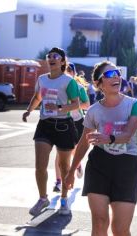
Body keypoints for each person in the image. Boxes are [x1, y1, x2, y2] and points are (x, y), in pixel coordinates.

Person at [65, 61, 137, 236]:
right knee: (99, 222)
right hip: (99, 165)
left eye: (117, 73)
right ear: (98, 84)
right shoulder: (93, 111)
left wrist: (109, 138)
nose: (115, 76)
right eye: (109, 74)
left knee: (120, 229)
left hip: (126, 167)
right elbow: (84, 143)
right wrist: (70, 172)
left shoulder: (133, 105)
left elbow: (128, 134)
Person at [22, 47, 80, 216]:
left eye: (56, 56)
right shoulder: (42, 79)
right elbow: (37, 97)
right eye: (49, 56)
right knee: (40, 165)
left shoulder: (68, 81)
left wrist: (59, 107)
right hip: (45, 125)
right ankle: (42, 198)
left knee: (64, 166)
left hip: (64, 126)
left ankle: (63, 198)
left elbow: (76, 104)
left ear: (62, 61)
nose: (51, 58)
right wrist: (28, 110)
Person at [52, 62, 90, 193]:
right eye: (64, 70)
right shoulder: (58, 86)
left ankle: (77, 164)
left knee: (73, 150)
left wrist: (73, 105)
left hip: (77, 122)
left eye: (69, 70)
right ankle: (58, 182)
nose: (66, 72)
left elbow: (87, 105)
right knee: (59, 153)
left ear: (73, 73)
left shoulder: (79, 87)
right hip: (62, 122)